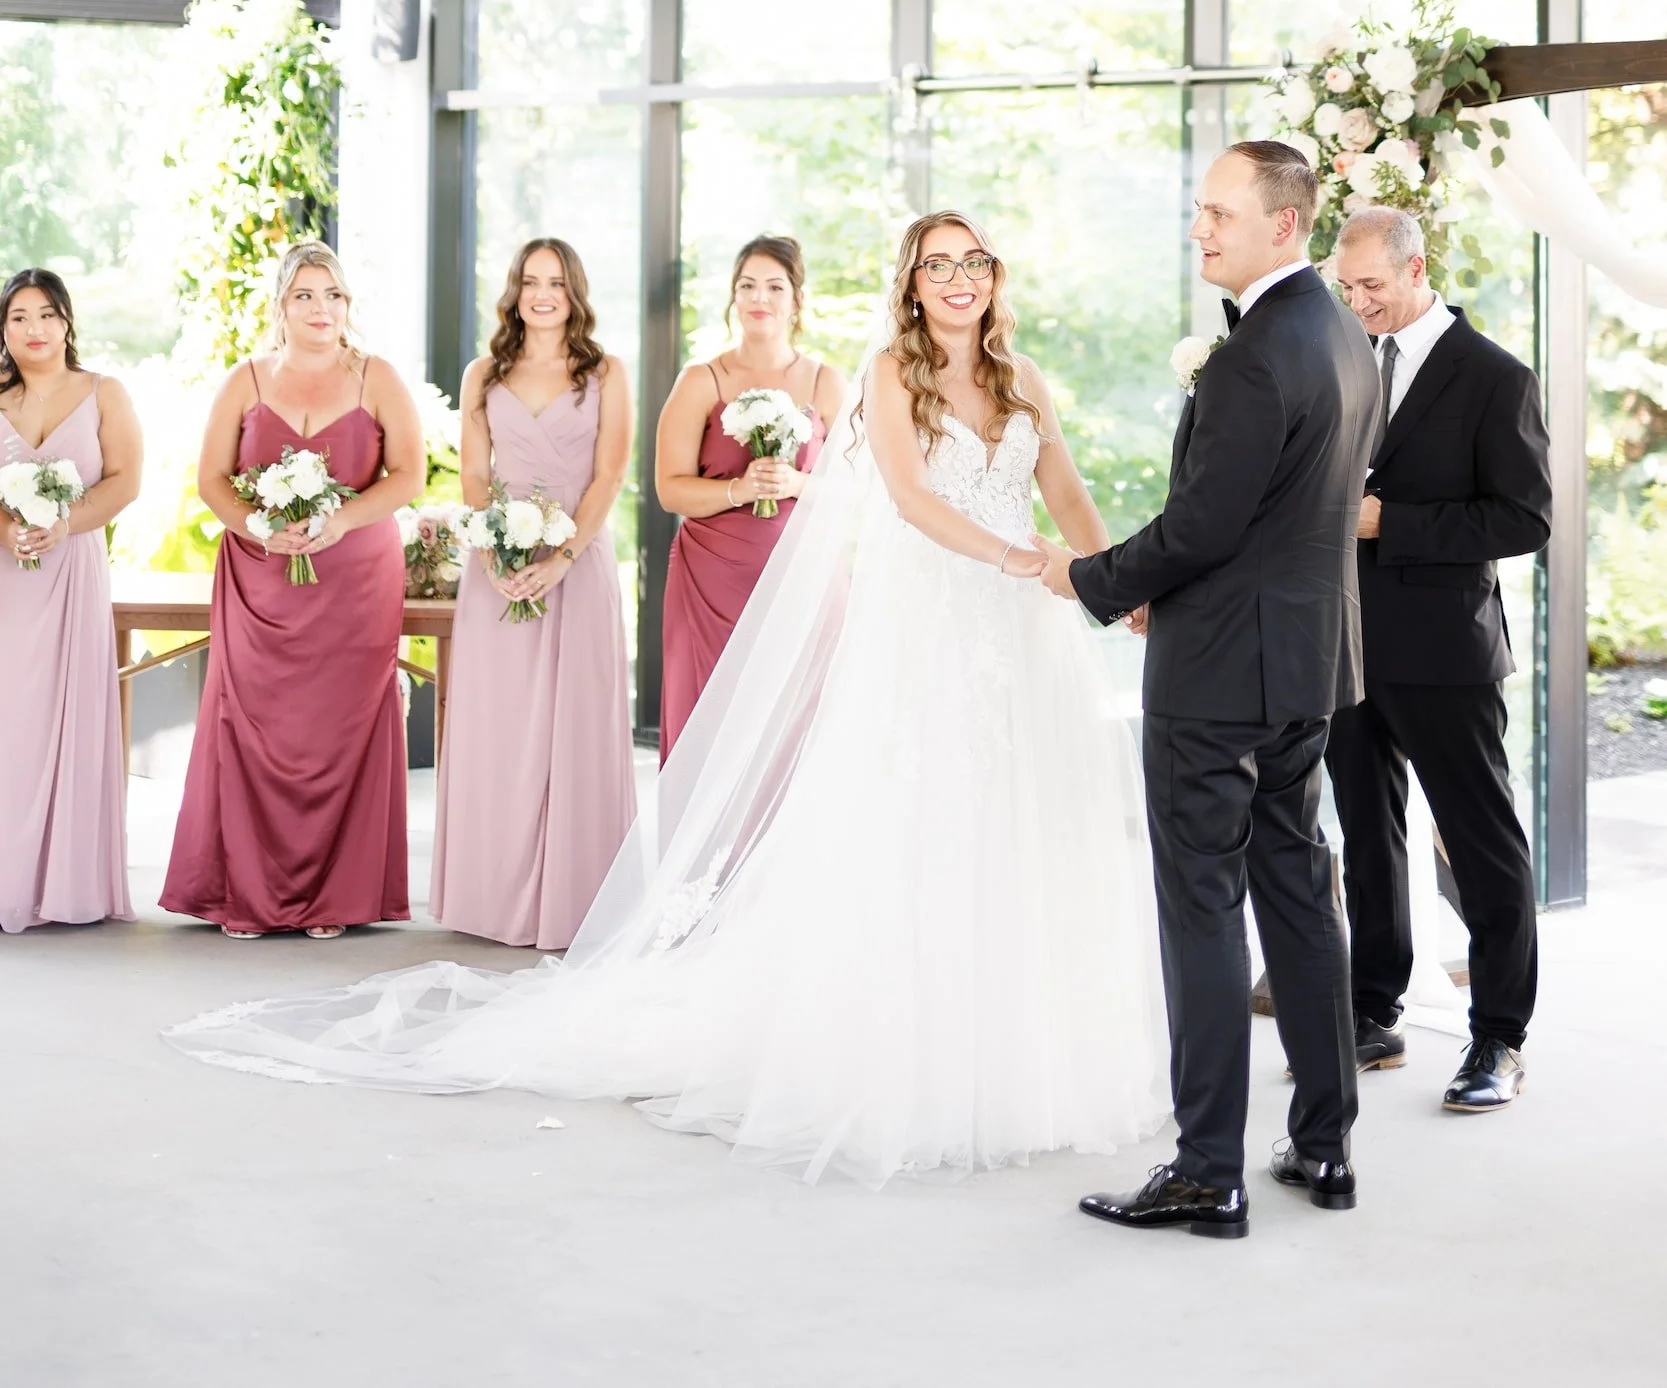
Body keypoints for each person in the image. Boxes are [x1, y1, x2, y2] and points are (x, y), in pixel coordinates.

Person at [165, 212, 1165, 1191]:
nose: (958, 278)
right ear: (909, 282)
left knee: (1013, 820)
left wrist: (1111, 582)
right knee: (914, 819)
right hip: (940, 615)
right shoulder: (887, 374)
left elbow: (1065, 489)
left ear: (994, 277)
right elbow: (905, 495)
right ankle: (910, 1048)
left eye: (974, 261)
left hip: (1019, 626)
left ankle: (1009, 1043)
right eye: (935, 263)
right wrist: (1022, 559)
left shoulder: (1021, 378)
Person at [1041, 140, 1378, 1240]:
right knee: (1297, 889)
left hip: (1217, 675)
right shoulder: (1342, 335)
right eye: (1198, 210)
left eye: (1219, 214)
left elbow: (1201, 525)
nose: (1199, 229)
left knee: (1200, 908)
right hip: (1305, 666)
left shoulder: (1247, 359)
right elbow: (1278, 519)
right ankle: (1322, 1147)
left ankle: (1203, 1169)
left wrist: (1091, 577)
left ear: (1282, 226)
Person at [1328, 205, 1550, 1113]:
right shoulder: (1340, 357)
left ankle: (1498, 1037)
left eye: (1371, 286)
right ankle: (1371, 1009)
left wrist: (1395, 524)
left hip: (1445, 651)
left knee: (1484, 844)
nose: (1358, 303)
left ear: (1417, 271)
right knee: (1365, 839)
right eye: (1345, 289)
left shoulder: (1495, 377)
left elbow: (1523, 518)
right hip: (1342, 641)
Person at [161, 242, 424, 939]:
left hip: (355, 581)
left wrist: (340, 521)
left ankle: (335, 896)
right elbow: (211, 479)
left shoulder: (378, 378)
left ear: (348, 305)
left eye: (332, 295)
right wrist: (254, 523)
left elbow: (407, 477)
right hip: (260, 582)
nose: (320, 309)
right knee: (253, 727)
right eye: (305, 295)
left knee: (339, 731)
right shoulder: (244, 381)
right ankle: (244, 890)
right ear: (280, 304)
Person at [430, 237, 637, 950]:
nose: (542, 293)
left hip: (577, 562)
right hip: (499, 564)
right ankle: (492, 898)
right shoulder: (483, 373)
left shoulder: (605, 371)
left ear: (575, 292)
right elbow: (475, 478)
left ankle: (577, 900)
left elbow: (610, 474)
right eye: (529, 281)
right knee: (501, 726)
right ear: (514, 291)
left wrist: (563, 559)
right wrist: (492, 556)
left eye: (555, 282)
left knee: (575, 724)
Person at [654, 235, 844, 758]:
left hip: (800, 580)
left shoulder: (827, 381)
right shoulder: (701, 380)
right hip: (709, 580)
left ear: (795, 299)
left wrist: (796, 484)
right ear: (733, 298)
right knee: (709, 723)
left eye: (774, 286)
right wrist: (739, 488)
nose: (760, 298)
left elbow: (858, 489)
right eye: (747, 285)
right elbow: (669, 489)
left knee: (792, 728)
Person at [0, 268, 142, 934]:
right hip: (7, 581)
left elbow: (125, 479)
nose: (35, 329)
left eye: (47, 315)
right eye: (20, 317)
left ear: (67, 323)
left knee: (72, 714)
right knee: (12, 724)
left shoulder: (103, 392)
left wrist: (65, 523)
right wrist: (9, 528)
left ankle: (68, 884)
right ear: (4, 330)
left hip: (74, 570)